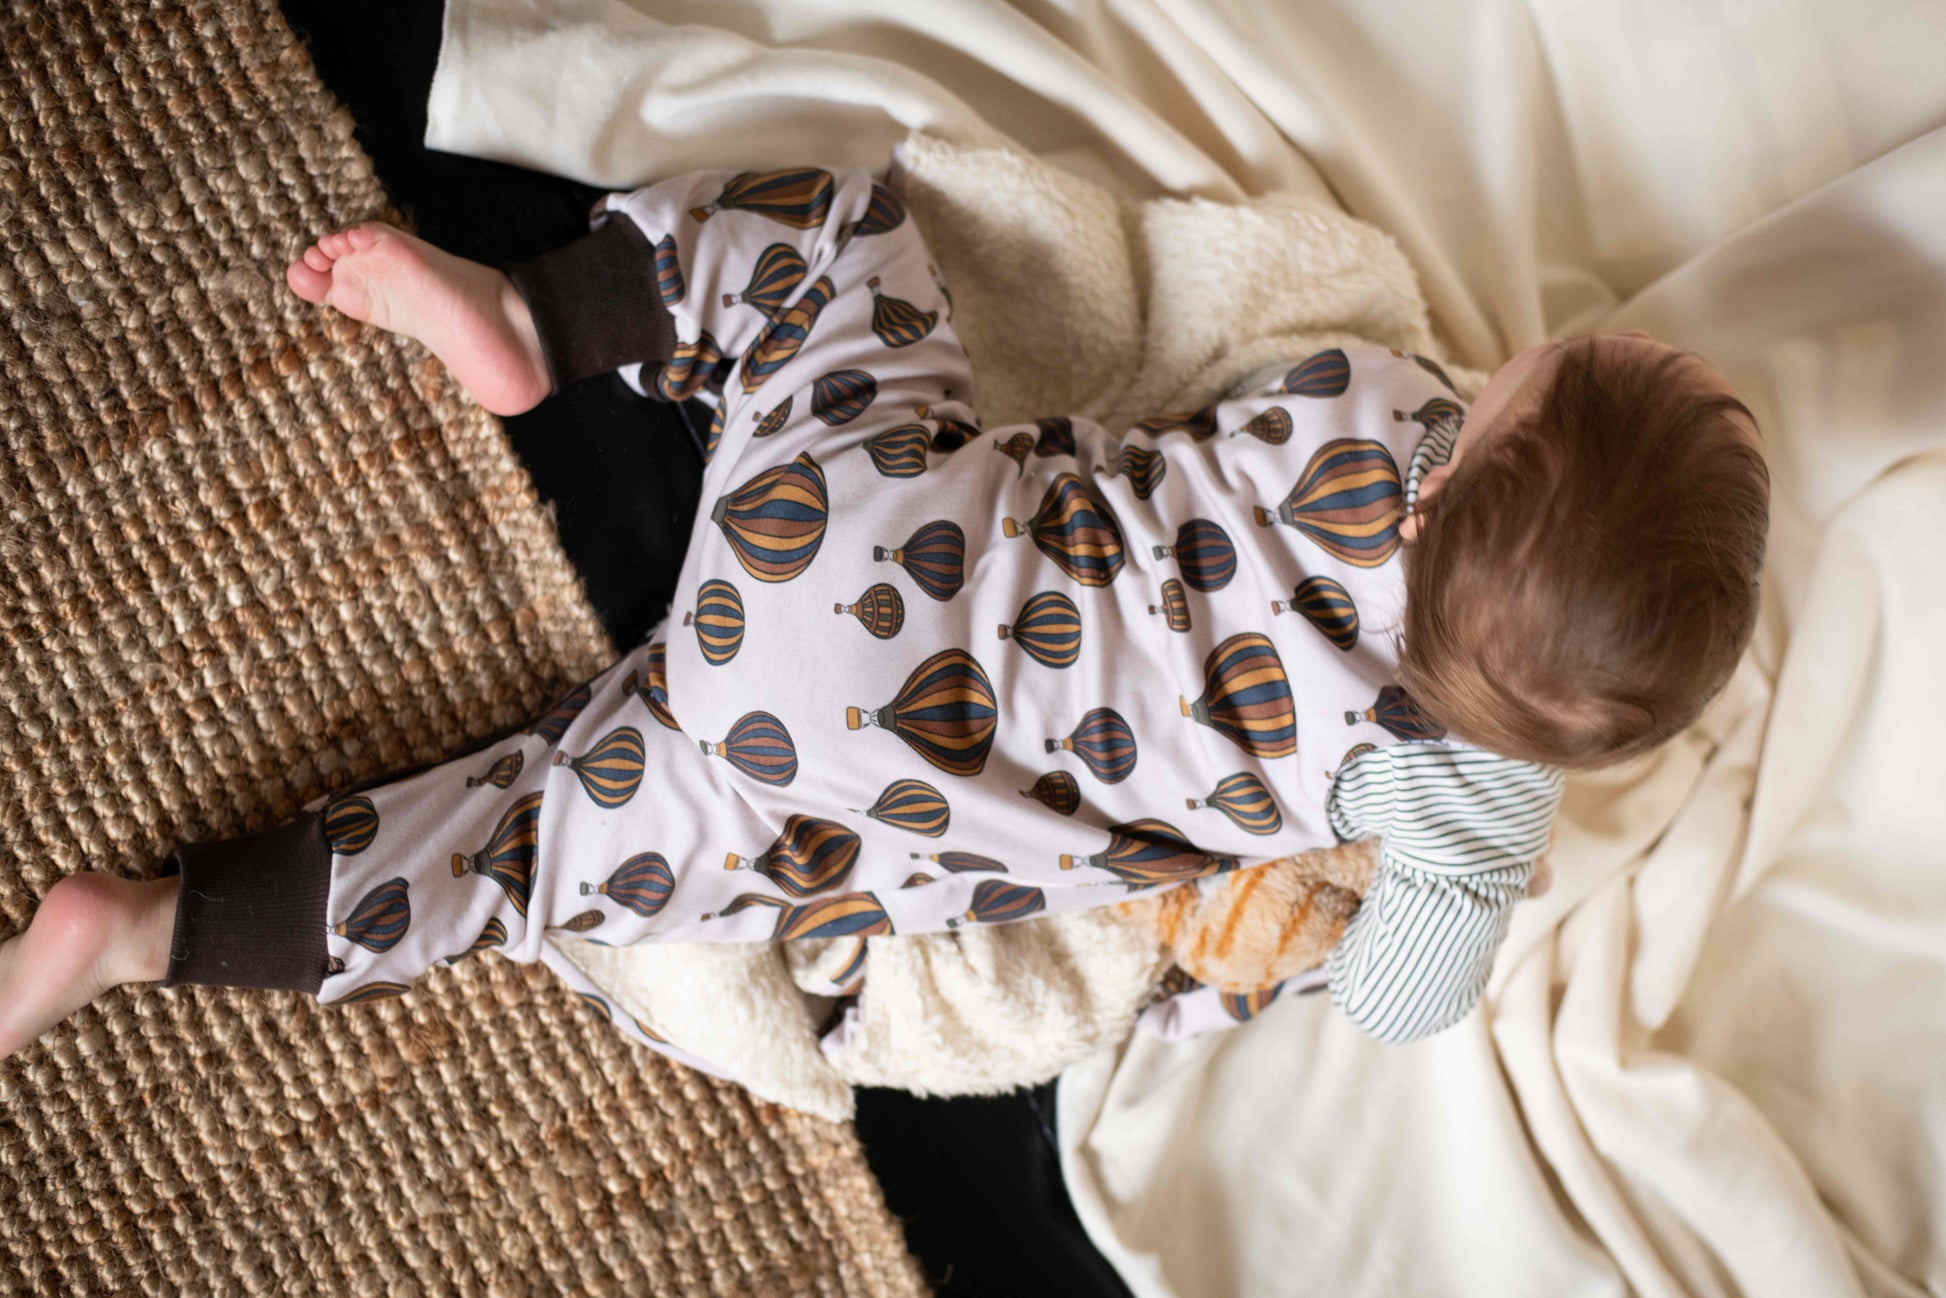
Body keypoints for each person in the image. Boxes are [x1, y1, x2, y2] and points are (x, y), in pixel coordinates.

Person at [0, 161, 1769, 1064]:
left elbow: (1194, 414)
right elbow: (1395, 998)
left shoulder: (1376, 412)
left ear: (1475, 451)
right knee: (527, 860)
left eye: (1564, 366)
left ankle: (540, 326)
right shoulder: (1464, 789)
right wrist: (1449, 852)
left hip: (865, 542)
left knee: (840, 233)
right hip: (832, 783)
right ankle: (151, 930)